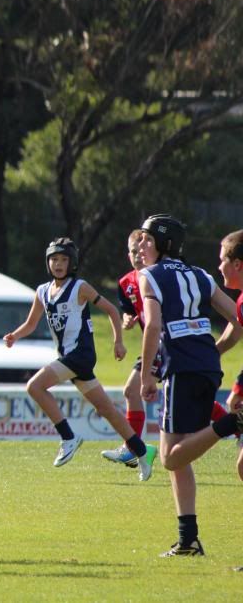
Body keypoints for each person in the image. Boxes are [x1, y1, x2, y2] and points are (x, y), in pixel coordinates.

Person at [3, 237, 156, 479]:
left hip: (80, 355)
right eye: (54, 259)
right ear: (48, 262)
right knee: (106, 408)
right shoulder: (43, 291)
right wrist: (15, 336)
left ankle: (68, 437)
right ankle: (142, 451)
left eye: (64, 259)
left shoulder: (80, 287)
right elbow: (31, 323)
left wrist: (118, 341)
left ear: (72, 263)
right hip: (70, 358)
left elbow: (111, 310)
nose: (58, 264)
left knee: (35, 386)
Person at [135, 216, 243, 557]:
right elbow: (237, 321)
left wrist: (146, 376)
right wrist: (213, 350)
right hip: (207, 368)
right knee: (181, 456)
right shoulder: (200, 275)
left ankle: (233, 423)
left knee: (169, 457)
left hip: (180, 369)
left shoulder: (148, 275)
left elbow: (152, 326)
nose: (140, 247)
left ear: (161, 244)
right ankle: (188, 540)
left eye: (146, 241)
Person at [102, 230, 231, 469]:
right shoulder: (126, 283)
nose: (138, 255)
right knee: (139, 392)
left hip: (168, 344)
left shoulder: (158, 276)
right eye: (133, 251)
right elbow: (133, 313)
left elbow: (155, 321)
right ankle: (135, 448)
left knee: (136, 391)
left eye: (144, 247)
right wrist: (127, 321)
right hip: (157, 345)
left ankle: (134, 448)